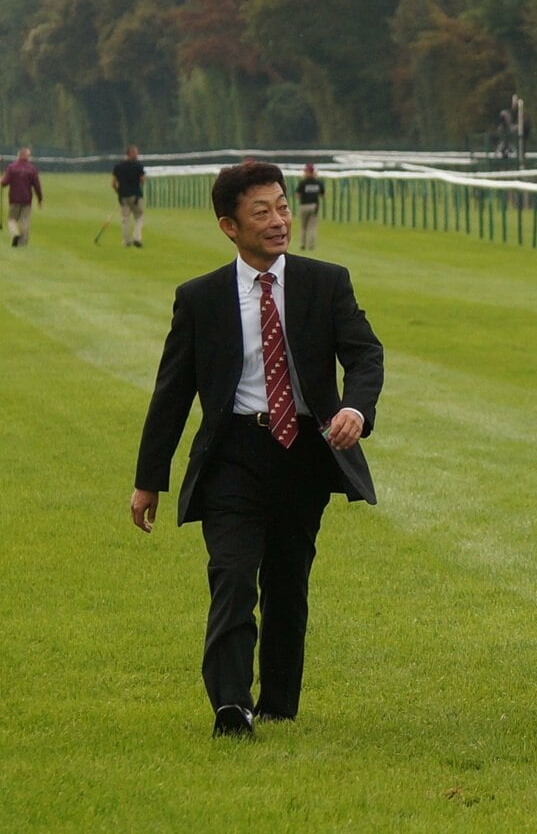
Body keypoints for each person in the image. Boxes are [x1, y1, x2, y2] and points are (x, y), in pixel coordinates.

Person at [130, 161, 384, 739]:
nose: (278, 222)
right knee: (233, 575)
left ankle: (278, 705)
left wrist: (355, 408)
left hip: (304, 453)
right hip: (233, 456)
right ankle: (231, 705)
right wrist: (149, 479)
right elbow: (171, 395)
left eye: (283, 207)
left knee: (288, 582)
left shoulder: (327, 282)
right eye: (261, 212)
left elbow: (366, 355)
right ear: (229, 226)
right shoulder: (199, 299)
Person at [2, 147, 43, 247]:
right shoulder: (32, 169)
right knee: (25, 221)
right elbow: (37, 185)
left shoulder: (12, 167)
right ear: (27, 156)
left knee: (12, 219)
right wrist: (40, 198)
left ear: (18, 156)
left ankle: (15, 233)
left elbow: (4, 182)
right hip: (27, 199)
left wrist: (1, 179)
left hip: (14, 199)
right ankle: (22, 243)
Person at [112, 144, 147, 247]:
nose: (137, 155)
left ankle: (127, 241)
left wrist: (118, 192)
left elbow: (113, 183)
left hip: (123, 196)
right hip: (136, 196)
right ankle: (137, 237)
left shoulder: (118, 167)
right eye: (135, 153)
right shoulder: (138, 166)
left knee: (125, 219)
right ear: (130, 154)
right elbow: (143, 181)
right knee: (139, 217)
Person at [294, 163, 324, 251]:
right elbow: (322, 194)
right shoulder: (318, 182)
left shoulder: (303, 182)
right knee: (312, 227)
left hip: (303, 206)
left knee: (303, 227)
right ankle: (311, 246)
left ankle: (302, 244)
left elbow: (297, 195)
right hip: (314, 206)